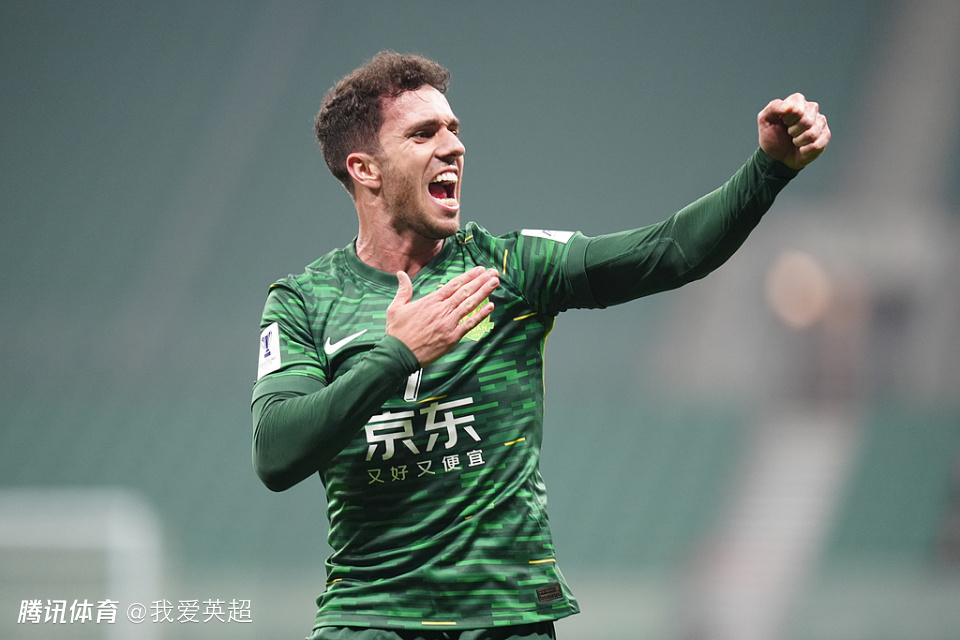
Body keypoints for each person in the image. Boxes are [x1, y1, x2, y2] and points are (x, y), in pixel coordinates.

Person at [251, 51, 830, 640]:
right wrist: (396, 355)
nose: (454, 146)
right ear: (365, 169)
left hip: (509, 615)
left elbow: (670, 252)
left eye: (453, 129)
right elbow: (275, 453)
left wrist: (768, 169)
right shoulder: (305, 301)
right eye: (424, 133)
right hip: (369, 614)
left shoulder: (513, 267)